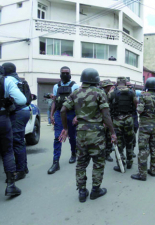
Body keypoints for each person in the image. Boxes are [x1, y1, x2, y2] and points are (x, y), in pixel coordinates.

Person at [59, 68, 117, 203]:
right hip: (96, 133)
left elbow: (63, 110)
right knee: (98, 162)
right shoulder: (100, 93)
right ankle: (95, 190)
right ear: (95, 79)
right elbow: (106, 115)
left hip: (81, 134)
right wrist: (112, 132)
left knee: (81, 163)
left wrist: (65, 128)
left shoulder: (75, 93)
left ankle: (82, 191)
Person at [0, 65, 27, 197]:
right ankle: (10, 185)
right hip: (2, 118)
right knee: (7, 151)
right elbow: (22, 100)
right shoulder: (7, 81)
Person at [2, 62, 31, 181]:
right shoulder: (19, 79)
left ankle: (20, 171)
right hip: (25, 112)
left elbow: (19, 99)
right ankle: (24, 167)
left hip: (17, 112)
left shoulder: (8, 79)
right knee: (20, 140)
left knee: (16, 141)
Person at [48, 66, 79, 174]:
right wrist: (51, 115)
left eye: (67, 73)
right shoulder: (56, 86)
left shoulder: (75, 86)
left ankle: (74, 153)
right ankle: (55, 162)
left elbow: (78, 102)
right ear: (60, 74)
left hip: (71, 113)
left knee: (72, 136)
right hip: (59, 114)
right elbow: (55, 102)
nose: (65, 74)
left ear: (70, 74)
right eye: (63, 73)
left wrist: (77, 116)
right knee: (57, 137)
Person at [131, 77, 155, 181]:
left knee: (143, 150)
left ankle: (142, 174)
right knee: (154, 149)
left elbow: (139, 111)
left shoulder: (143, 96)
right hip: (154, 126)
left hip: (144, 127)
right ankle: (153, 170)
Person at [108, 77, 137, 173]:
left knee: (119, 142)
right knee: (130, 141)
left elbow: (108, 106)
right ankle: (130, 162)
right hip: (129, 119)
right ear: (125, 83)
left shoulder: (112, 93)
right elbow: (135, 105)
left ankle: (121, 164)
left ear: (117, 83)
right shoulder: (132, 92)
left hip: (117, 120)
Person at [101, 79, 115, 162]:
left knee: (109, 136)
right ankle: (103, 153)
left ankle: (107, 153)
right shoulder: (101, 94)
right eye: (110, 86)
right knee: (103, 137)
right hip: (103, 119)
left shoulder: (111, 94)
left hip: (109, 117)